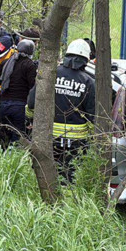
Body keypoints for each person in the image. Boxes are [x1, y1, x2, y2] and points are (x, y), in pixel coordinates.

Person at [26, 39, 96, 183]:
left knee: (44, 175)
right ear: (86, 59)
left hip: (47, 137)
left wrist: (30, 119)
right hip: (76, 143)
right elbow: (92, 116)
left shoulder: (50, 74)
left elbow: (32, 103)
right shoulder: (88, 82)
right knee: (70, 178)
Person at [0, 36, 37, 144]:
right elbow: (33, 85)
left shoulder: (6, 62)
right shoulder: (29, 65)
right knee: (19, 138)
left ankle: (2, 157)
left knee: (6, 136)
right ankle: (14, 159)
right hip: (19, 106)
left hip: (3, 105)